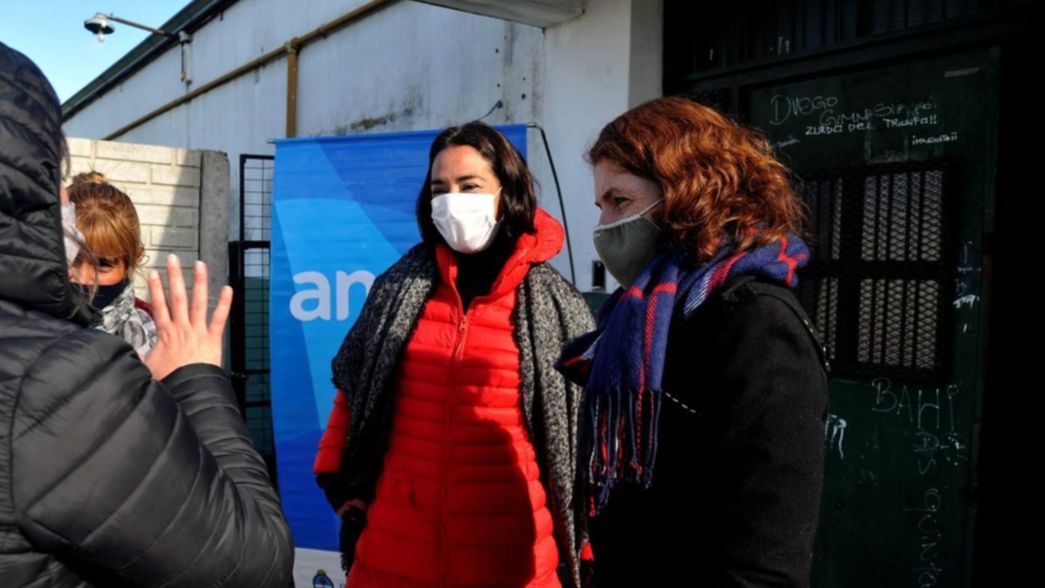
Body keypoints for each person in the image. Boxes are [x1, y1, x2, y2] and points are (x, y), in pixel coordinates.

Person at [0, 42, 293, 587]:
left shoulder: (150, 330)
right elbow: (252, 563)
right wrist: (197, 381)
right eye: (75, 258)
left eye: (104, 264)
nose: (84, 278)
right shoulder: (57, 368)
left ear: (131, 263)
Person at [558, 96, 829, 587]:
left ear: (687, 190)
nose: (603, 227)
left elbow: (764, 557)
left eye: (620, 201)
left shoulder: (755, 321)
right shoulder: (637, 314)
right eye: (600, 206)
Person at [314, 122, 594, 587]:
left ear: (508, 193)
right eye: (440, 188)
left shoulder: (557, 304)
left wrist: (586, 539)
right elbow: (355, 384)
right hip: (395, 549)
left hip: (510, 556)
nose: (452, 200)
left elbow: (583, 428)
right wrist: (338, 482)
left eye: (470, 186)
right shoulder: (398, 287)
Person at [66, 171, 157, 357]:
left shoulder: (158, 337)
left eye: (103, 264)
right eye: (70, 258)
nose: (83, 277)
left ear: (132, 259)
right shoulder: (17, 325)